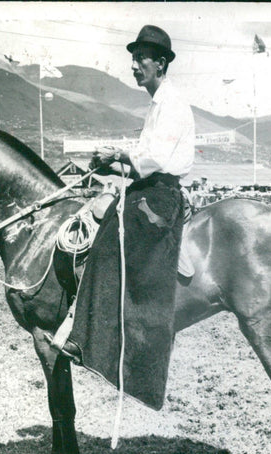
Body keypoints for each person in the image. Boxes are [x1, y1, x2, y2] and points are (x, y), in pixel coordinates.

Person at [50, 25, 195, 409]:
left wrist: (120, 154)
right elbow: (143, 161)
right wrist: (114, 160)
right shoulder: (157, 102)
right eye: (133, 58)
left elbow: (156, 160)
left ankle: (89, 337)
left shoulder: (172, 101)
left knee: (108, 238)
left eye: (140, 58)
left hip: (161, 198)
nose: (134, 65)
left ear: (160, 63)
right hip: (151, 189)